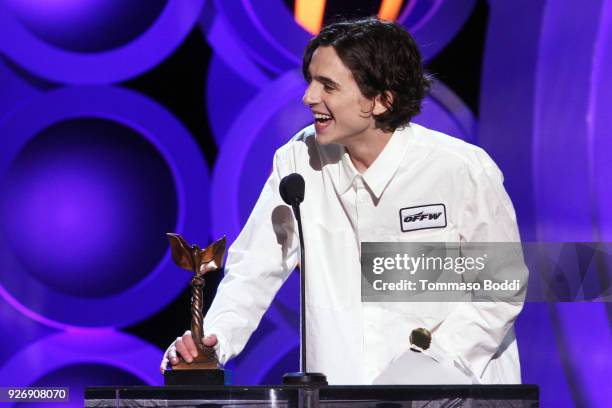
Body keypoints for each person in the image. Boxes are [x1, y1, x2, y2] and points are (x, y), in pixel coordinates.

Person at [161, 17, 523, 385]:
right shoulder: (298, 160)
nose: (308, 97)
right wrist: (212, 341)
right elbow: (254, 267)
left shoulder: (460, 169)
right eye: (311, 81)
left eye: (327, 86)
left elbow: (500, 288)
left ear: (382, 100)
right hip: (341, 392)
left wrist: (428, 367)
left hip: (454, 391)